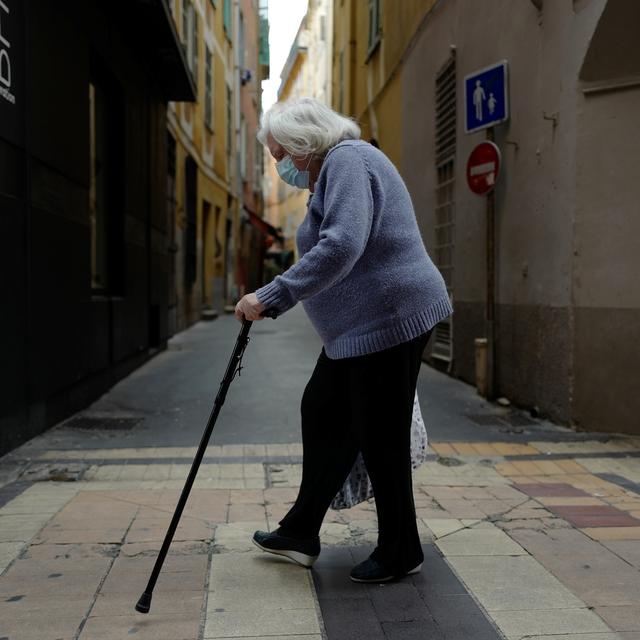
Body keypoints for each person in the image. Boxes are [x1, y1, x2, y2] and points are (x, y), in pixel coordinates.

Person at [234, 97, 453, 583]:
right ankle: (299, 531)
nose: (278, 165)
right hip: (360, 330)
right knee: (324, 410)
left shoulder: (348, 161)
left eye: (278, 154)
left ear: (302, 143)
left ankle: (401, 549)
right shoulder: (330, 172)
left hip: (392, 317)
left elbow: (343, 243)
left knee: (380, 434)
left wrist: (272, 295)